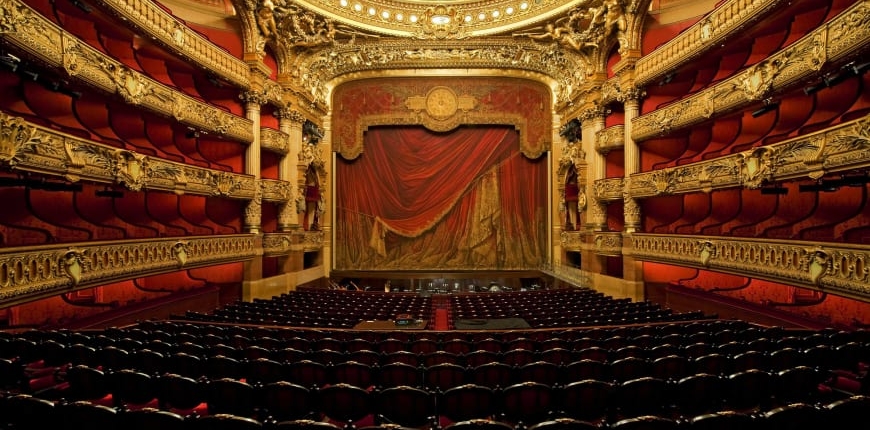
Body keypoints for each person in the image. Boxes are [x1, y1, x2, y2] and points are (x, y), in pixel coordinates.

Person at [304, 165, 320, 231]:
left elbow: (318, 181)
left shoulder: (314, 171)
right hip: (310, 189)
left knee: (312, 209)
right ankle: (307, 226)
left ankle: (311, 225)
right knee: (307, 209)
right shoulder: (309, 170)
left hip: (313, 190)